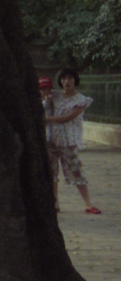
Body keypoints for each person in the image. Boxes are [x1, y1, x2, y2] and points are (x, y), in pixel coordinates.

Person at [44, 67, 100, 215]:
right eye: (63, 79)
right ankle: (54, 202)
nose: (66, 81)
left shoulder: (81, 100)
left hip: (68, 141)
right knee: (52, 172)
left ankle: (87, 203)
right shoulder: (55, 96)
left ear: (75, 80)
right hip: (51, 140)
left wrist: (46, 119)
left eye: (69, 78)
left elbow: (66, 118)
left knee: (76, 170)